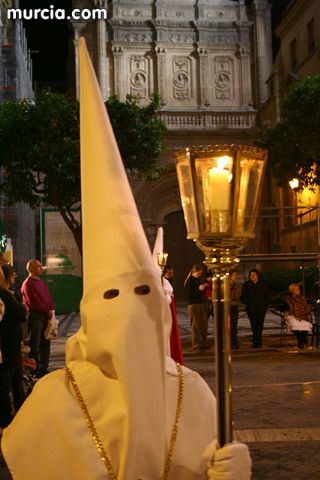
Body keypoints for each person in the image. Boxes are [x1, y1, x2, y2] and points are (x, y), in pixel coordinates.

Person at [1, 38, 251, 479]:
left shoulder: (194, 394)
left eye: (142, 291)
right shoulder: (49, 404)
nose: (131, 309)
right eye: (112, 294)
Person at [0, 265, 27, 428]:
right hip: (7, 347)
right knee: (6, 384)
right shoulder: (4, 295)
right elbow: (19, 314)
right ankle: (7, 420)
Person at [20, 259, 55, 377]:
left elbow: (48, 297)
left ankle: (44, 368)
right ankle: (35, 369)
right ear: (31, 269)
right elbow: (34, 301)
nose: (41, 268)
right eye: (38, 266)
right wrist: (47, 311)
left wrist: (51, 309)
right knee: (35, 343)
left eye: (41, 266)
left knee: (46, 342)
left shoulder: (41, 282)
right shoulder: (28, 283)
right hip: (36, 316)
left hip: (45, 315)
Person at [240, 268, 270, 348]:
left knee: (260, 325)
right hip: (251, 308)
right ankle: (255, 340)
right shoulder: (247, 284)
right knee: (253, 325)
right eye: (250, 275)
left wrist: (264, 303)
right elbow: (243, 296)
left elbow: (267, 295)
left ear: (257, 275)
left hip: (261, 308)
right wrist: (248, 302)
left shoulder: (263, 284)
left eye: (254, 275)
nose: (252, 276)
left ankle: (259, 340)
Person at [162, 265, 184, 365]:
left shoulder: (165, 283)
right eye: (169, 273)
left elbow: (168, 300)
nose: (171, 275)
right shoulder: (163, 282)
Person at [184, 264, 209, 352]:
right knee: (195, 325)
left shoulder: (198, 280)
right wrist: (199, 290)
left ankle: (203, 342)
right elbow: (190, 295)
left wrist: (204, 287)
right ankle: (196, 344)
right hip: (193, 304)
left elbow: (201, 292)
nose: (200, 275)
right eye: (199, 273)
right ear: (194, 272)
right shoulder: (190, 281)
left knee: (203, 324)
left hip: (200, 303)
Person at [283, 283, 312, 349]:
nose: (299, 291)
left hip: (302, 315)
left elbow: (307, 307)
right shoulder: (288, 299)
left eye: (298, 289)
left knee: (306, 325)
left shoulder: (302, 298)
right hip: (292, 315)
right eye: (297, 289)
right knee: (294, 325)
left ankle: (300, 342)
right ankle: (302, 341)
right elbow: (288, 309)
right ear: (292, 290)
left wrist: (304, 312)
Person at [229, 270, 241, 349]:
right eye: (235, 275)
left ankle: (234, 341)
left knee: (234, 325)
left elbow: (236, 296)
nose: (236, 277)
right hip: (227, 307)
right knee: (228, 325)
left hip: (234, 306)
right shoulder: (226, 285)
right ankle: (229, 341)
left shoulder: (237, 285)